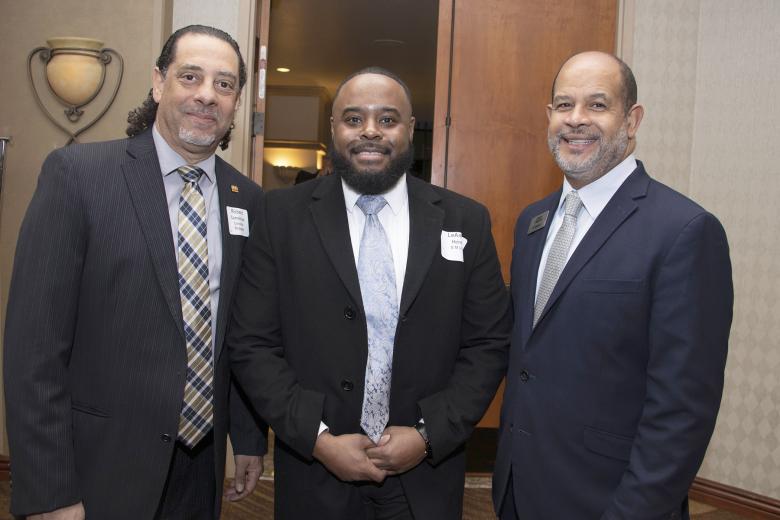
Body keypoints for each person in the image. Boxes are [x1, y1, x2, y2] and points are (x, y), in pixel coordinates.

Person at [4, 24, 266, 520]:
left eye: (225, 84)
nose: (207, 95)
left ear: (236, 102)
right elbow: (33, 350)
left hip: (199, 467)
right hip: (99, 468)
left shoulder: (248, 201)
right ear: (158, 83)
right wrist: (49, 492)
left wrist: (248, 437)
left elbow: (239, 332)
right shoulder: (77, 176)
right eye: (190, 76)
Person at [227, 67, 511, 519]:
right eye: (354, 119)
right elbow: (252, 342)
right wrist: (318, 440)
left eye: (388, 119)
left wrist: (428, 434)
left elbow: (489, 344)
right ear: (334, 129)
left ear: (410, 128)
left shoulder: (465, 220)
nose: (371, 132)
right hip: (315, 473)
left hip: (424, 478)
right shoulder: (280, 216)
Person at [493, 51, 733, 519]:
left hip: (610, 502)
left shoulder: (684, 231)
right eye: (564, 105)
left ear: (632, 119)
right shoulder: (532, 222)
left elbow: (682, 410)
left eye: (597, 106)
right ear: (549, 117)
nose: (576, 120)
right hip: (519, 490)